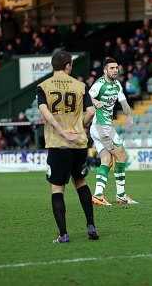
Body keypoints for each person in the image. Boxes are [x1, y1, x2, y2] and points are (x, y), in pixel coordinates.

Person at [37, 51, 98, 243]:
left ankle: (63, 234)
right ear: (68, 65)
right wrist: (80, 126)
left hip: (57, 144)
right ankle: (91, 226)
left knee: (57, 187)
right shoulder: (80, 86)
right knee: (80, 181)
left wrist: (60, 130)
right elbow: (91, 110)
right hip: (79, 143)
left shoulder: (43, 86)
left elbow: (44, 111)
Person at [89, 57, 137, 206]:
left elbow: (124, 103)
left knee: (107, 160)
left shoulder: (117, 85)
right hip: (102, 127)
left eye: (116, 68)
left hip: (99, 128)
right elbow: (88, 94)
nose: (115, 70)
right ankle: (121, 195)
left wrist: (129, 115)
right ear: (105, 70)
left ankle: (98, 195)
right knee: (121, 155)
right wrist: (94, 101)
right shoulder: (99, 84)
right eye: (112, 68)